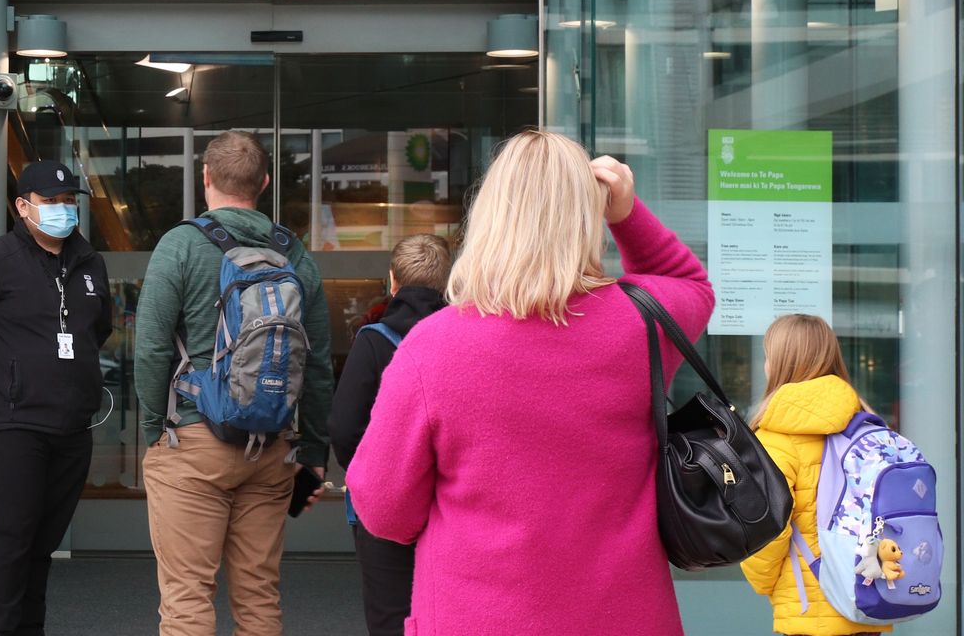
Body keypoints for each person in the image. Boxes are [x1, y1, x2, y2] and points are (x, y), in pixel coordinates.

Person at [346, 131, 712, 636]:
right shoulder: (639, 323)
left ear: (490, 218)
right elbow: (689, 284)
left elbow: (383, 509)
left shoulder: (433, 347)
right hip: (625, 618)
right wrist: (626, 214)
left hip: (474, 617)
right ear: (587, 217)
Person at [134, 130, 335, 636]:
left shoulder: (179, 245)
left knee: (187, 600)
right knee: (259, 599)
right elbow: (316, 362)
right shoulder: (294, 253)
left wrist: (157, 427)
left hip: (194, 442)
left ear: (205, 178)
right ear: (264, 183)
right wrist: (312, 451)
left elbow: (153, 347)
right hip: (270, 449)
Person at [0, 159, 113, 636]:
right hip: (15, 423)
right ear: (22, 206)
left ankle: (30, 628)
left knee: (43, 542)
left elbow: (99, 328)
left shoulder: (89, 262)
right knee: (14, 537)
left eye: (68, 200)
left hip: (73, 425)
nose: (63, 209)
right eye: (51, 201)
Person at [327, 233, 452, 636]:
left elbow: (344, 427)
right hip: (450, 502)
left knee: (390, 614)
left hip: (385, 505)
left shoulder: (373, 342)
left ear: (392, 281)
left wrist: (367, 475)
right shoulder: (464, 338)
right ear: (448, 282)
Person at [740, 315, 889, 636]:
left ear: (781, 363)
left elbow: (766, 528)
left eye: (768, 356)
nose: (765, 366)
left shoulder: (776, 435)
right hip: (869, 598)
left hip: (808, 606)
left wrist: (763, 582)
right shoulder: (868, 426)